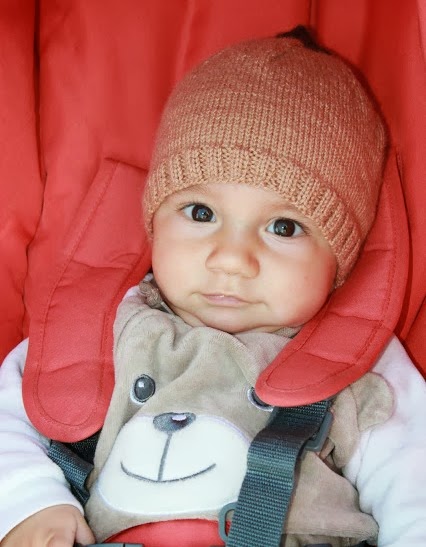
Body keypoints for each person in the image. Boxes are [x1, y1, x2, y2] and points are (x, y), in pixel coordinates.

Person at [1, 27, 426, 547]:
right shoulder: (104, 329)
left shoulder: (359, 363)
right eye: (201, 213)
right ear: (154, 222)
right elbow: (10, 414)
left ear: (340, 260)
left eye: (284, 227)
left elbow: (414, 479)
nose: (231, 259)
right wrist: (31, 501)